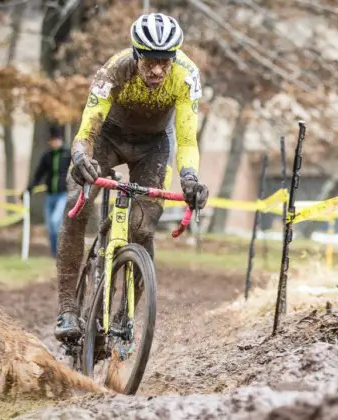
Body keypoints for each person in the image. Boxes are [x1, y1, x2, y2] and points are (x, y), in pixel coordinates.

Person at [53, 13, 209, 342]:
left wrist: (190, 178)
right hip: (107, 138)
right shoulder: (115, 69)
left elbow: (186, 140)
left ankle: (126, 316)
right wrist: (81, 157)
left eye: (164, 62)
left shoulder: (186, 76)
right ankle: (67, 308)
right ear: (137, 55)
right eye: (150, 61)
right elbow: (87, 127)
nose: (157, 70)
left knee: (143, 227)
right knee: (76, 203)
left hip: (153, 146)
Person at [26, 125, 72, 258]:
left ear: (61, 140)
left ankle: (61, 250)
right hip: (50, 195)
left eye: (56, 140)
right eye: (52, 140)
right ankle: (54, 253)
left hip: (62, 195)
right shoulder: (47, 157)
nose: (54, 142)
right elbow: (39, 174)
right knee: (50, 227)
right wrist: (30, 188)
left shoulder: (67, 154)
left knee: (55, 220)